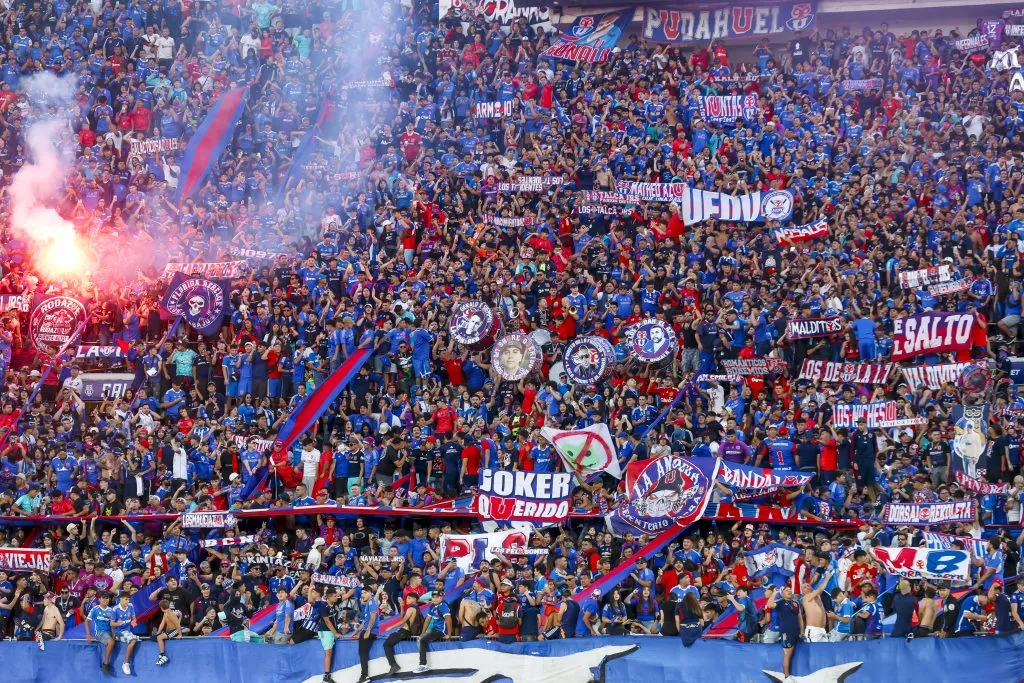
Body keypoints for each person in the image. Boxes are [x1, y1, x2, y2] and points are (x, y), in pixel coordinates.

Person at [415, 591, 452, 674]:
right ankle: (423, 663)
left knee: (422, 640)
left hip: (441, 631)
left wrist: (449, 634)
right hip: (435, 629)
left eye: (437, 597)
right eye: (433, 597)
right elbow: (427, 619)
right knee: (421, 638)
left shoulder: (443, 606)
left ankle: (423, 665)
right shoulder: (432, 605)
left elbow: (448, 620)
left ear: (441, 597)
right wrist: (422, 633)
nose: (434, 599)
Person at [110, 591, 141, 675]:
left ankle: (126, 663)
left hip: (128, 631)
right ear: (121, 599)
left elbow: (134, 618)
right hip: (118, 632)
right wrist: (118, 624)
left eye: (128, 599)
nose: (128, 601)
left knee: (136, 640)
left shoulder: (130, 606)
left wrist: (133, 622)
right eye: (126, 599)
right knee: (133, 640)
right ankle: (126, 663)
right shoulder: (115, 609)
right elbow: (111, 624)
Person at [85, 591, 115, 675]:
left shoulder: (111, 610)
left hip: (109, 632)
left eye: (107, 598)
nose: (105, 600)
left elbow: (112, 625)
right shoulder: (95, 609)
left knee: (117, 639)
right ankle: (106, 664)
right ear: (99, 599)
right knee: (111, 641)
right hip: (99, 632)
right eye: (103, 598)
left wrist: (113, 634)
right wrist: (88, 634)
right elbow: (86, 621)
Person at [355, 586, 379, 683]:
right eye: (362, 593)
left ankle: (364, 676)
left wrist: (368, 631)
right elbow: (366, 619)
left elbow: (373, 618)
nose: (362, 595)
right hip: (366, 630)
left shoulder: (372, 603)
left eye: (365, 593)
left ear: (370, 593)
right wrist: (357, 631)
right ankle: (364, 675)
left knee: (363, 653)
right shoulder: (369, 603)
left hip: (370, 631)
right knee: (362, 653)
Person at [154, 598, 181, 666]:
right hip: (171, 631)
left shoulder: (170, 614)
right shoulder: (166, 613)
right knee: (156, 637)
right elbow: (162, 623)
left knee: (159, 638)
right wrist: (158, 632)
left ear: (161, 607)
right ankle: (162, 656)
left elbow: (177, 624)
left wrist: (180, 634)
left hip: (175, 631)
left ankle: (162, 655)